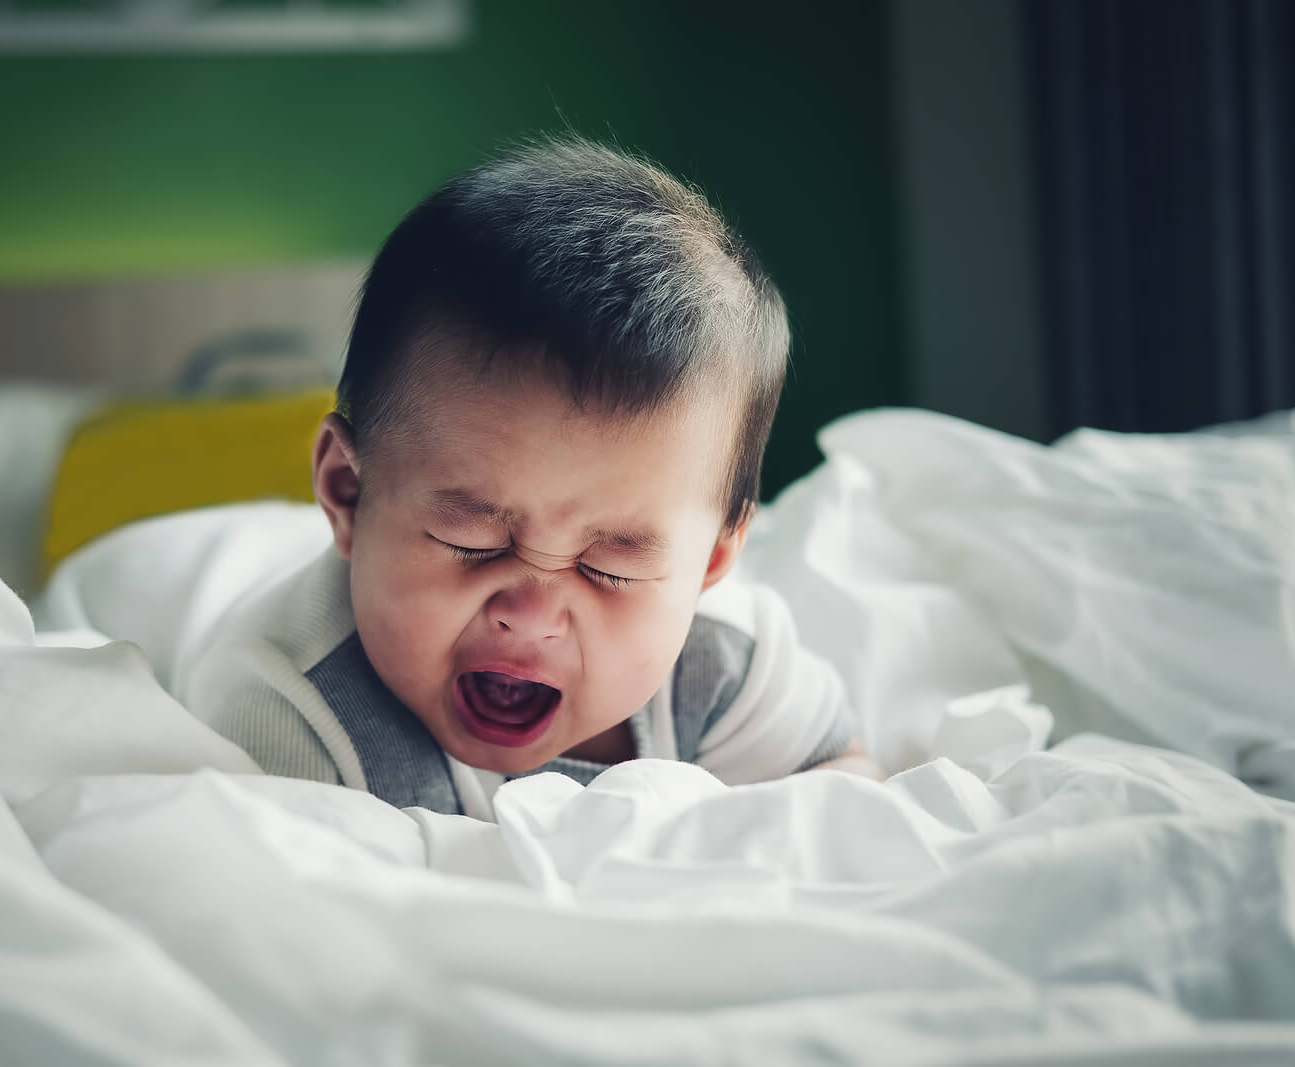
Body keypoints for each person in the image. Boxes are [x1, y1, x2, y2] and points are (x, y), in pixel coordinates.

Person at [177, 136, 882, 818]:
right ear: (348, 493)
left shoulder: (725, 663)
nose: (533, 615)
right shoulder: (289, 710)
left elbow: (845, 786)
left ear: (712, 562)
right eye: (472, 540)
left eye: (609, 567)